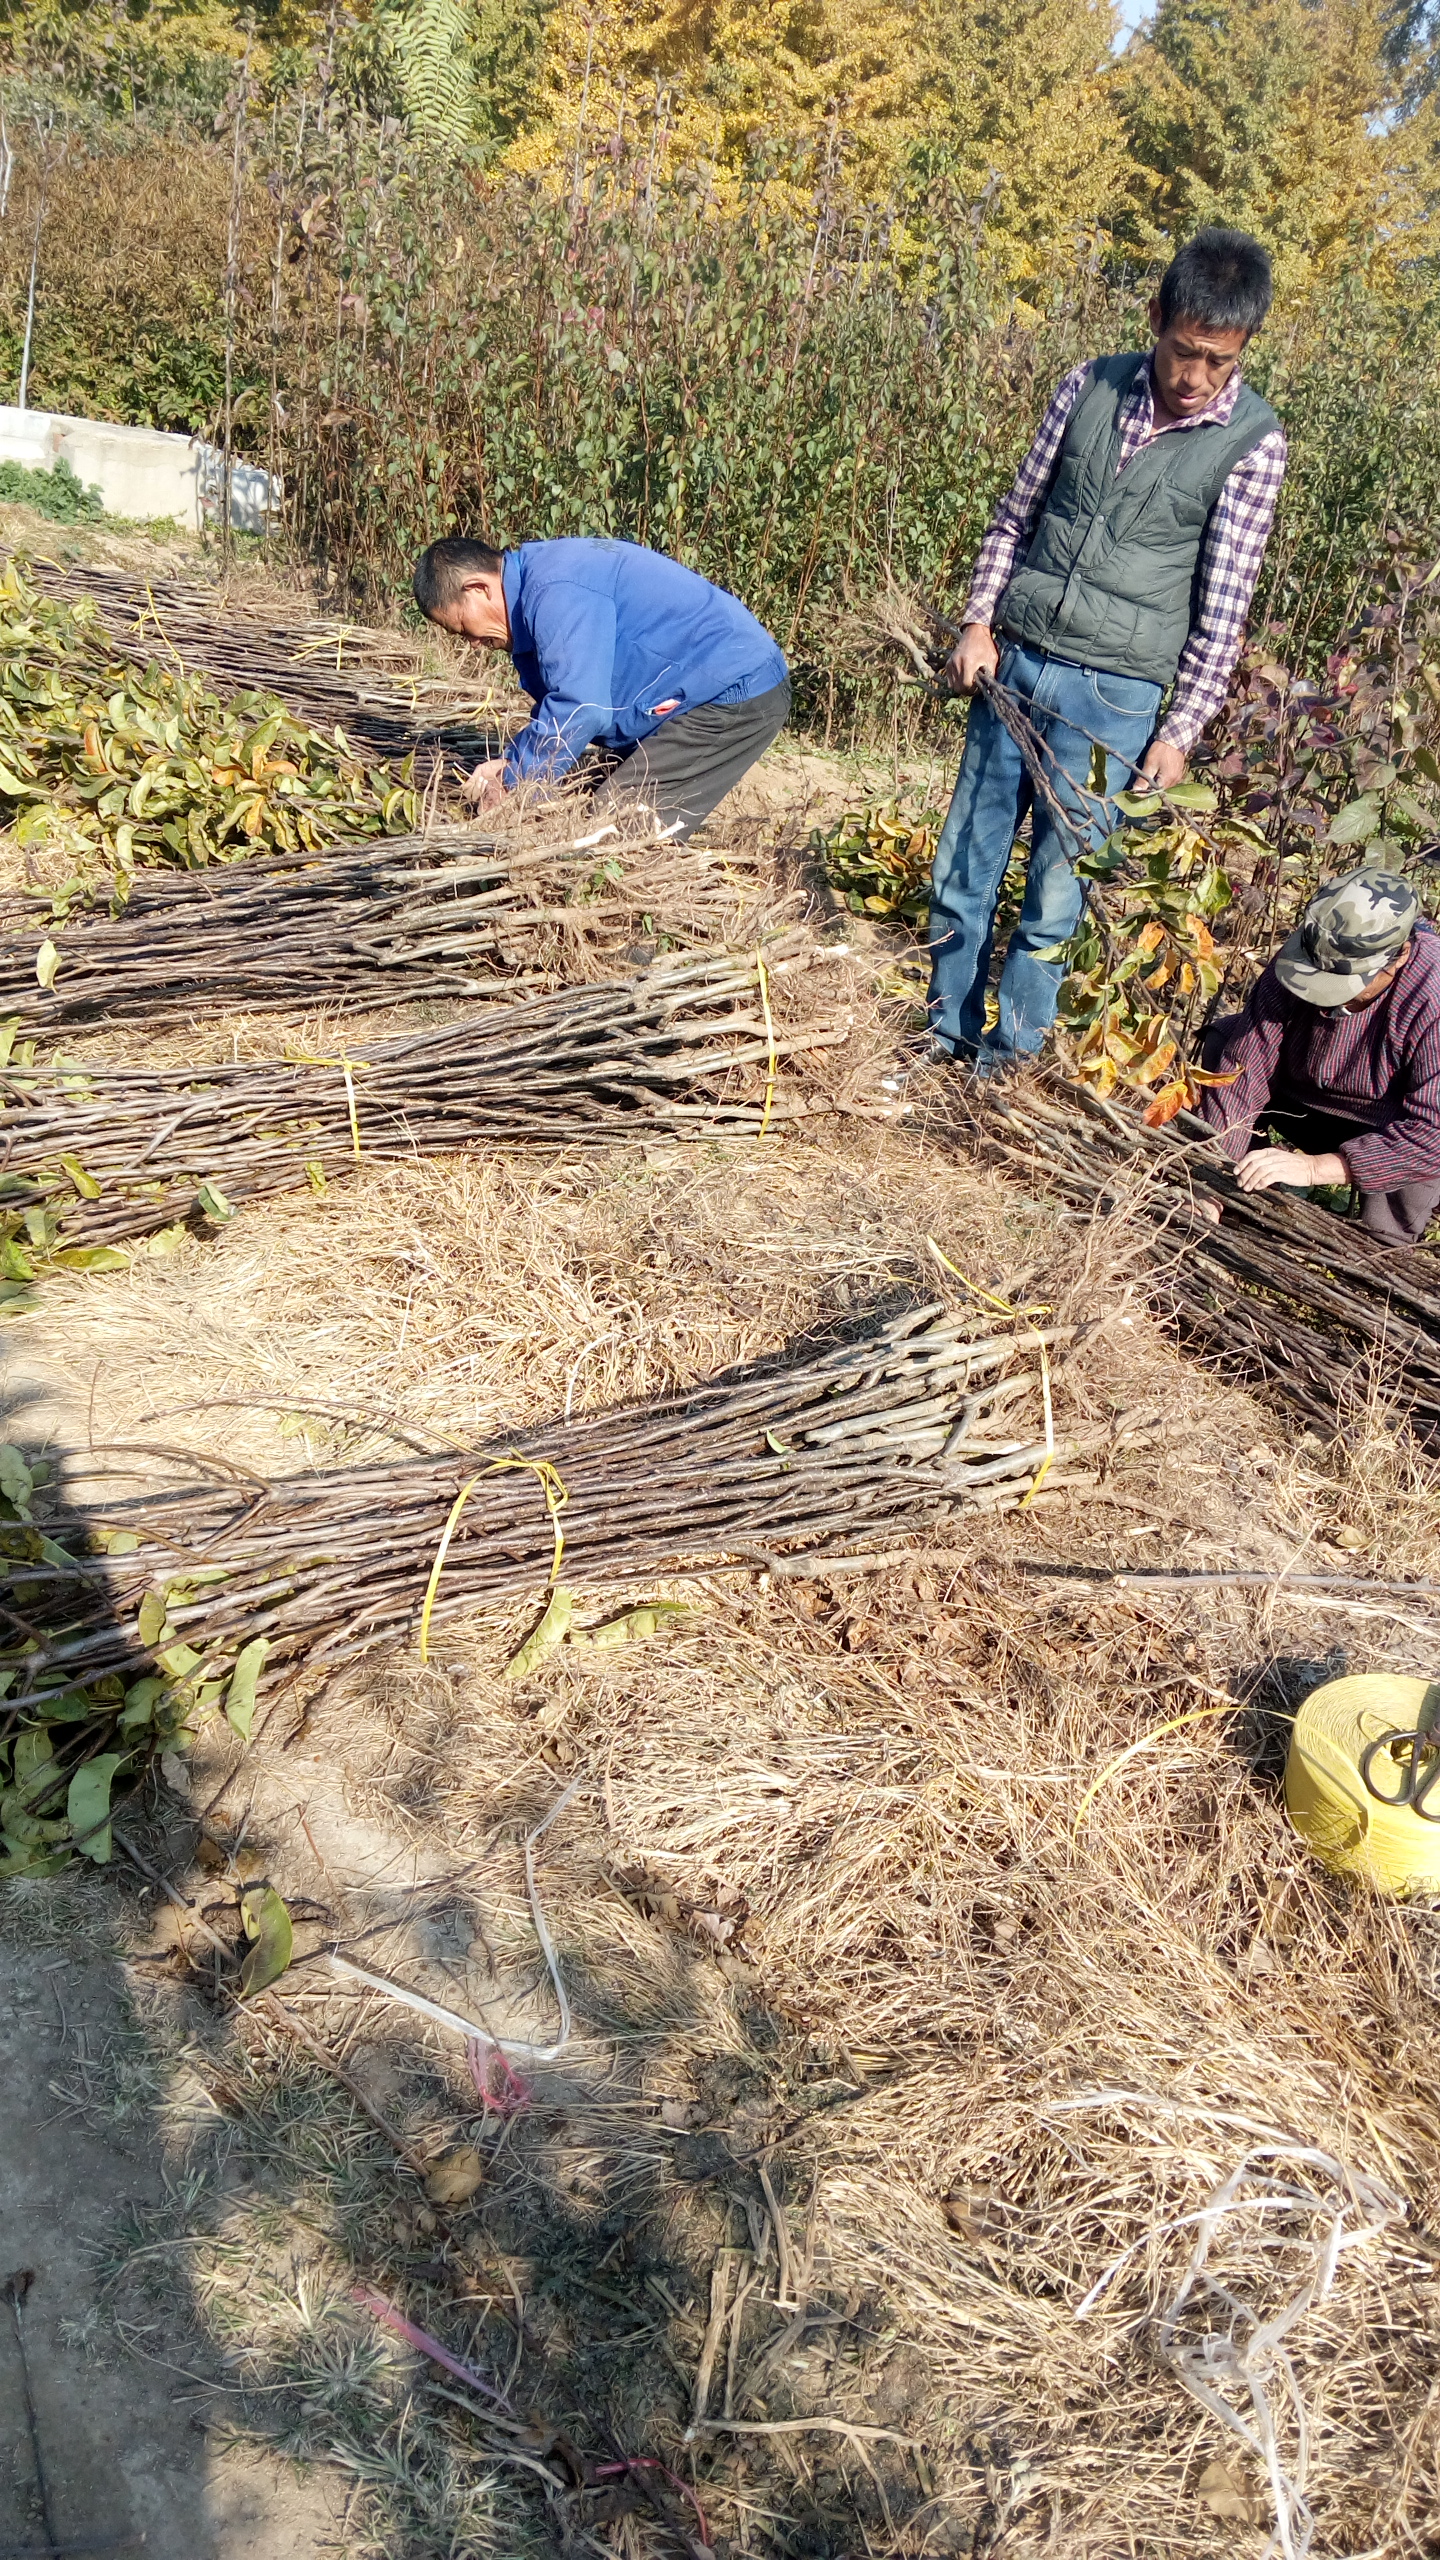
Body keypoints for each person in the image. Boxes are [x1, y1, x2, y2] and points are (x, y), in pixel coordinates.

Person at [926, 227, 1287, 1080]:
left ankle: (1005, 1074)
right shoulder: (1089, 385)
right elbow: (1016, 516)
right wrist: (979, 623)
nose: (1197, 378)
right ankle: (941, 1043)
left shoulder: (1253, 445)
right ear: (1156, 317)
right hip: (1017, 664)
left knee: (1056, 895)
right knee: (963, 872)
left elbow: (1223, 612)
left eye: (1220, 363)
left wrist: (1179, 732)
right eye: (1185, 351)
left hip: (1117, 698)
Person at [412, 533, 790, 842]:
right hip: (696, 687)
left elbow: (580, 706)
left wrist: (514, 785)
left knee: (612, 829)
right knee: (584, 799)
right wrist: (513, 761)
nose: (471, 643)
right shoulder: (539, 585)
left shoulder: (557, 589)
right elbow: (566, 701)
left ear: (478, 588)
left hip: (734, 692)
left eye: (461, 628)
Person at [1198, 869, 1440, 1249]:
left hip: (1386, 1123)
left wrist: (1316, 1168)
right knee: (1224, 1041)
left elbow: (1433, 1132)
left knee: (1411, 1172)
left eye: (1346, 983)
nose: (1328, 996)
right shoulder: (1306, 956)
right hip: (1302, 1096)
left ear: (1401, 956)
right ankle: (1242, 1190)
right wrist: (1211, 1179)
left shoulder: (1433, 996)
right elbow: (1245, 1068)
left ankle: (1380, 1252)